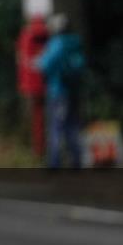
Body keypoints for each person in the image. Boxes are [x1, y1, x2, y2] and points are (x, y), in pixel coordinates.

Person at [38, 13, 86, 169]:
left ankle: (55, 162)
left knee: (56, 126)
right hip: (74, 91)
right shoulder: (76, 43)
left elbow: (44, 64)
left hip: (58, 91)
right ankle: (76, 160)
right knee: (73, 125)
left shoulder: (56, 44)